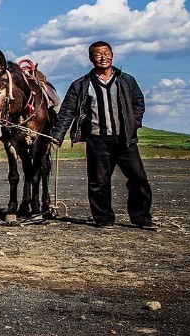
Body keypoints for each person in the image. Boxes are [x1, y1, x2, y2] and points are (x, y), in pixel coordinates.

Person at [50, 41, 155, 229]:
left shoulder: (127, 80)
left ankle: (141, 218)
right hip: (97, 140)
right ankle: (104, 218)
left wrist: (134, 123)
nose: (103, 57)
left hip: (125, 140)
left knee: (139, 178)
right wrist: (58, 134)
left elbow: (138, 103)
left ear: (112, 55)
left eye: (106, 53)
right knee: (99, 182)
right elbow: (67, 111)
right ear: (91, 59)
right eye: (98, 54)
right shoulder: (81, 85)